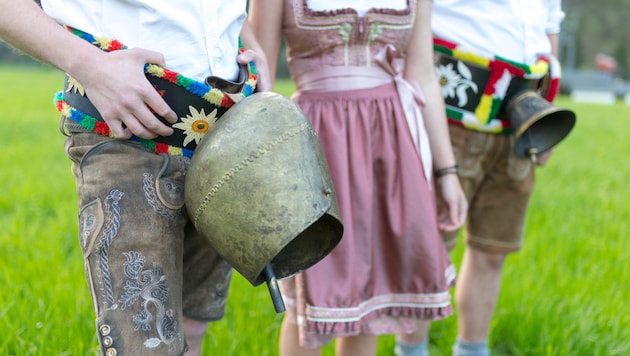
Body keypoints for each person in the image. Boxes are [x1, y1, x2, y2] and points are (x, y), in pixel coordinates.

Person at [0, 1, 270, 355]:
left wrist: (251, 43)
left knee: (193, 327)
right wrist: (89, 66)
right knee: (147, 345)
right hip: (122, 133)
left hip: (224, 129)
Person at [249, 1, 468, 355]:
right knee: (311, 299)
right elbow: (259, 77)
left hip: (391, 145)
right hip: (316, 145)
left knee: (373, 298)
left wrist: (447, 172)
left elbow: (423, 76)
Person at [395, 1, 567, 355]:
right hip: (451, 118)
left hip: (521, 120)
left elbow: (551, 27)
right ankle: (411, 350)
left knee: (493, 249)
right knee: (432, 246)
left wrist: (548, 107)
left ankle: (473, 349)